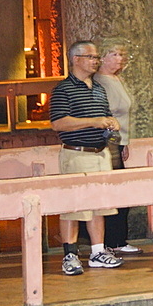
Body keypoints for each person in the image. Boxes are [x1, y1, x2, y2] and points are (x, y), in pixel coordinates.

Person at [49, 41, 123, 275]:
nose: (95, 60)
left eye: (96, 57)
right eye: (91, 57)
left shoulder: (99, 88)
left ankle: (97, 251)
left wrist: (112, 123)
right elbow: (58, 122)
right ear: (76, 59)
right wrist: (93, 122)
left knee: (99, 206)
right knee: (74, 206)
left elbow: (106, 115)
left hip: (100, 154)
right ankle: (70, 254)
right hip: (77, 153)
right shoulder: (63, 89)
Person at [94, 40, 142, 255]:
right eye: (114, 54)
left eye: (121, 55)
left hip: (117, 141)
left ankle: (117, 239)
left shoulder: (116, 79)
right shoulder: (100, 82)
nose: (119, 59)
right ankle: (111, 241)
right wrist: (116, 141)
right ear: (102, 58)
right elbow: (106, 113)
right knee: (113, 192)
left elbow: (124, 113)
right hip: (106, 142)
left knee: (121, 192)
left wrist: (125, 141)